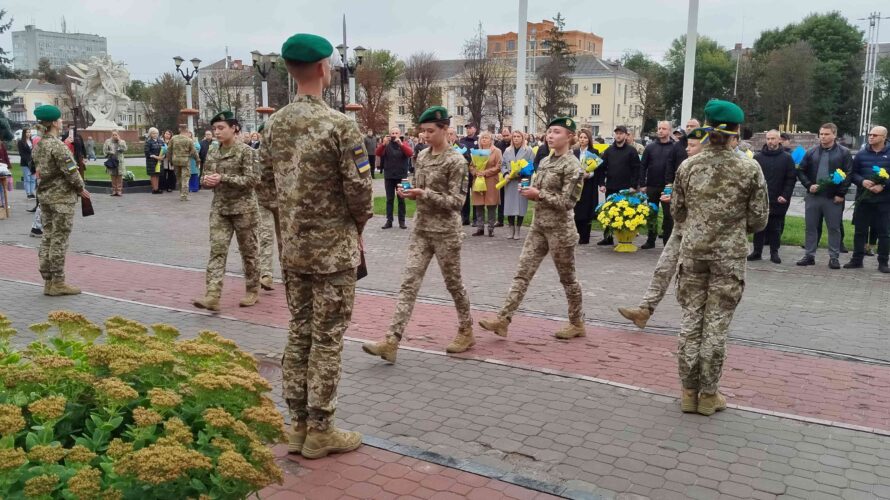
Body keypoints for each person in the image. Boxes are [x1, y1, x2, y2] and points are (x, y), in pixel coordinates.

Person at [257, 33, 373, 460]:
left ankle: (297, 425)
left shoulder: (273, 125)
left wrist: (289, 223)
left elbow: (265, 189)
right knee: (327, 339)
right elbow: (361, 192)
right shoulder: (340, 125)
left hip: (294, 251)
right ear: (325, 68)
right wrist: (353, 225)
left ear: (289, 70)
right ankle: (320, 429)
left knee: (299, 332)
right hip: (334, 253)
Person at [671, 100, 768, 416]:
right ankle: (708, 395)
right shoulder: (749, 168)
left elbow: (677, 211)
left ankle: (688, 392)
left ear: (708, 130)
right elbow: (759, 219)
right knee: (716, 324)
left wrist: (699, 226)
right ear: (735, 132)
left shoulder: (688, 166)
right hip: (728, 256)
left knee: (691, 320)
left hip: (694, 252)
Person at [363, 106, 474, 363]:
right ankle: (391, 341)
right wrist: (409, 191)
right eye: (423, 131)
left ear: (445, 129)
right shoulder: (422, 157)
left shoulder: (456, 161)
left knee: (454, 284)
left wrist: (424, 195)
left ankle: (466, 329)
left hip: (446, 232)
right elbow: (418, 184)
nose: (425, 136)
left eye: (430, 131)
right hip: (422, 230)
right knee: (408, 284)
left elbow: (457, 201)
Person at [479, 117, 586, 340]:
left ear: (569, 137)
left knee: (568, 279)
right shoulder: (545, 161)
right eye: (549, 131)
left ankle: (577, 322)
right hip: (538, 227)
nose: (551, 135)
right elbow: (537, 187)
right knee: (522, 274)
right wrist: (529, 188)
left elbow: (568, 202)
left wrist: (539, 195)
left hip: (560, 230)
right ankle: (503, 319)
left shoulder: (573, 165)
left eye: (557, 132)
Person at [618, 128, 708, 329]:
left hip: (699, 234)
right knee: (663, 268)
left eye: (693, 145)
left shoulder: (711, 172)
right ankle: (644, 310)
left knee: (693, 281)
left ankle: (699, 324)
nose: (687, 149)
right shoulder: (687, 166)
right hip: (681, 228)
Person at [193, 111, 260, 312]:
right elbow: (206, 177)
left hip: (244, 210)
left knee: (249, 252)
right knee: (217, 251)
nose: (217, 132)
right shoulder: (213, 152)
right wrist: (206, 181)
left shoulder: (246, 152)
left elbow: (252, 180)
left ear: (234, 128)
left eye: (221, 128)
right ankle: (212, 295)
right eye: (215, 129)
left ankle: (252, 289)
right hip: (220, 209)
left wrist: (223, 178)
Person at [31, 105, 92, 296]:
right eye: (59, 120)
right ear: (54, 123)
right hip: (61, 199)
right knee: (59, 239)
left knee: (47, 237)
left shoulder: (40, 145)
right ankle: (58, 281)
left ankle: (48, 281)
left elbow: (40, 170)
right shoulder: (57, 145)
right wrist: (80, 188)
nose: (61, 122)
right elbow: (71, 171)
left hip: (46, 197)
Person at [795, 123, 853, 269]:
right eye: (821, 134)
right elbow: (801, 170)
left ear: (834, 135)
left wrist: (841, 193)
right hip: (814, 196)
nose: (823, 136)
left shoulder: (844, 152)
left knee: (834, 228)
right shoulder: (811, 151)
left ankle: (834, 257)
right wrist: (808, 185)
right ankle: (809, 255)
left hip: (833, 198)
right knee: (811, 227)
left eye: (826, 134)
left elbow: (848, 174)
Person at [845, 126, 890, 272]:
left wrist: (883, 186)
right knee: (860, 232)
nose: (871, 137)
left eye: (875, 135)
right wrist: (862, 182)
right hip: (864, 200)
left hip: (884, 201)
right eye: (870, 134)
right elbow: (853, 173)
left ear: (884, 137)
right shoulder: (861, 154)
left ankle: (883, 262)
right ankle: (857, 260)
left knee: (884, 233)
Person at [749, 130, 796, 263]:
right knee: (759, 227)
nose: (770, 141)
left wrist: (785, 195)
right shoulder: (758, 158)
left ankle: (774, 253)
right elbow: (752, 177)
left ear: (779, 140)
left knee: (775, 228)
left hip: (778, 199)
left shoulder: (786, 158)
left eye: (773, 139)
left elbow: (790, 179)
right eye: (768, 139)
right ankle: (757, 251)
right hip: (760, 199)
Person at [596, 125, 642, 245]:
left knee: (626, 213)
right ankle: (608, 237)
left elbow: (636, 169)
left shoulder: (631, 151)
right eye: (617, 133)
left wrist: (634, 185)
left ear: (626, 135)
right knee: (609, 212)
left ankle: (626, 237)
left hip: (626, 188)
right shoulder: (609, 150)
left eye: (621, 133)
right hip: (611, 186)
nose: (618, 135)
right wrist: (601, 183)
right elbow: (601, 168)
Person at [640, 121, 677, 249]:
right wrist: (642, 184)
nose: (660, 131)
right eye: (659, 128)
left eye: (664, 128)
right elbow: (643, 166)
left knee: (668, 215)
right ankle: (650, 240)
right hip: (652, 185)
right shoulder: (650, 147)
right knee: (651, 213)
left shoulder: (675, 147)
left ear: (670, 131)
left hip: (668, 187)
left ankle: (667, 242)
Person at [376, 127, 414, 229]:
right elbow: (378, 153)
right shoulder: (386, 144)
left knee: (402, 198)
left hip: (402, 176)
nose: (394, 135)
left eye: (396, 133)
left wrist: (400, 144)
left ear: (399, 134)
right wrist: (383, 144)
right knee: (389, 199)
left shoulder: (404, 143)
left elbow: (410, 154)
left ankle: (402, 221)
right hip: (389, 176)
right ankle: (389, 220)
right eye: (392, 133)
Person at [501, 130, 535, 240]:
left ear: (522, 138)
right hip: (510, 180)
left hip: (523, 179)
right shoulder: (507, 150)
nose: (516, 138)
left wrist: (521, 172)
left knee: (521, 204)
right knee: (510, 204)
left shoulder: (528, 150)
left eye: (518, 136)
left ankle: (518, 229)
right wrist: (506, 173)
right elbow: (503, 165)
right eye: (514, 136)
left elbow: (531, 165)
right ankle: (511, 229)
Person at [470, 131, 502, 237]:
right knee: (479, 205)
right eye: (482, 138)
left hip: (491, 181)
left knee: (491, 205)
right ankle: (480, 228)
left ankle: (491, 228)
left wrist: (485, 173)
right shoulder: (476, 152)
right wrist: (475, 172)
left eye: (486, 138)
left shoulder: (496, 151)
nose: (484, 139)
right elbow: (471, 166)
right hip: (478, 180)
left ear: (491, 140)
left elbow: (499, 166)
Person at [573, 129, 600, 245]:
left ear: (589, 139)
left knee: (586, 210)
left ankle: (585, 237)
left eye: (585, 138)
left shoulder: (594, 151)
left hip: (588, 185)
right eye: (581, 137)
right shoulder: (574, 152)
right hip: (576, 184)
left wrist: (588, 174)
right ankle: (577, 234)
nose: (583, 140)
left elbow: (596, 169)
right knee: (577, 209)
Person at [170, 124, 199, 201]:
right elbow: (194, 152)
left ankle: (181, 193)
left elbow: (169, 151)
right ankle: (184, 195)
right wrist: (197, 160)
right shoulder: (189, 140)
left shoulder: (173, 138)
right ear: (186, 130)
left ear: (179, 129)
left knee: (179, 178)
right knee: (185, 178)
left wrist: (170, 160)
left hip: (175, 160)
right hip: (185, 161)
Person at [460, 124, 480, 225]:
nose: (468, 130)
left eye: (470, 128)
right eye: (467, 128)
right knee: (465, 195)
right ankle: (465, 217)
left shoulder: (479, 141)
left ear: (475, 129)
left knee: (476, 195)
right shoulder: (462, 141)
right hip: (465, 171)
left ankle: (476, 218)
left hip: (476, 171)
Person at [103, 130, 128, 196]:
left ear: (118, 135)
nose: (114, 136)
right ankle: (114, 190)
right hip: (112, 160)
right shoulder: (108, 141)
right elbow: (105, 150)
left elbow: (125, 149)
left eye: (116, 135)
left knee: (119, 175)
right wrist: (110, 152)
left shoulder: (122, 141)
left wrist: (119, 142)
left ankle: (119, 190)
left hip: (120, 161)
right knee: (113, 175)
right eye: (113, 135)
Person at [17, 128, 36, 199]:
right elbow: (22, 154)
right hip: (25, 163)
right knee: (27, 179)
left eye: (29, 132)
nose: (28, 133)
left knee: (33, 179)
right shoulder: (21, 142)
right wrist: (28, 162)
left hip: (33, 163)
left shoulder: (32, 141)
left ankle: (32, 192)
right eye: (27, 132)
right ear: (24, 133)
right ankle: (28, 193)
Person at [144, 128, 164, 194]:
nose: (155, 135)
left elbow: (164, 150)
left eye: (156, 133)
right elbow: (147, 152)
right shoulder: (148, 142)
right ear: (150, 134)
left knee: (157, 174)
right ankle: (154, 189)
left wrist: (162, 156)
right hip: (151, 161)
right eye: (153, 133)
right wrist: (155, 157)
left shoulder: (161, 141)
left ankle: (157, 188)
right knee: (153, 175)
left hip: (159, 161)